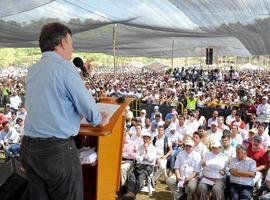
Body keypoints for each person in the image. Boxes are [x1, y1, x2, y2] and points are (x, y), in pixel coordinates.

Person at [20, 22, 107, 200]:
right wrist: (100, 119)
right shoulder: (66, 69)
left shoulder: (33, 70)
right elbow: (91, 111)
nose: (72, 49)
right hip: (56, 152)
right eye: (71, 43)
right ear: (62, 43)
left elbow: (51, 99)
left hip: (29, 149)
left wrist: (79, 76)